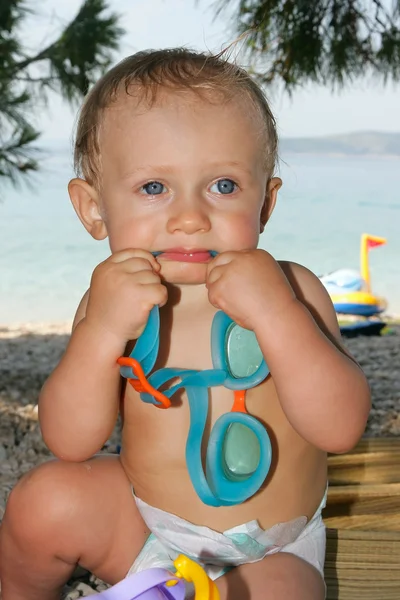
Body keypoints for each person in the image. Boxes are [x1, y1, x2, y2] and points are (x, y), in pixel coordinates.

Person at [0, 47, 371, 600]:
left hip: (269, 550)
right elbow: (71, 441)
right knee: (42, 502)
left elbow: (340, 428)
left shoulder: (292, 289)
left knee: (283, 592)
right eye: (154, 188)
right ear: (93, 209)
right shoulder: (110, 302)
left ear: (265, 203)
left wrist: (276, 315)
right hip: (147, 525)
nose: (192, 217)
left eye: (223, 186)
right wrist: (101, 332)